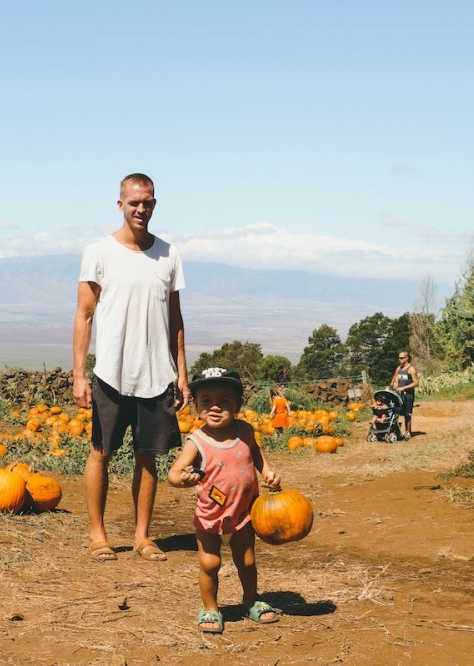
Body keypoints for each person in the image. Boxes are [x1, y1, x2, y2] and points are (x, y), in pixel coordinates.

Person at [72, 173, 191, 563]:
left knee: (148, 455)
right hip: (111, 372)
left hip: (156, 373)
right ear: (120, 204)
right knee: (101, 452)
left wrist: (182, 373)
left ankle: (143, 537)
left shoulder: (169, 255)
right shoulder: (99, 252)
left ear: (155, 204)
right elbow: (84, 315)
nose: (142, 209)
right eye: (135, 202)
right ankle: (98, 535)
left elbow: (175, 319)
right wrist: (79, 373)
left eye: (149, 202)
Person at [167, 366, 281, 634]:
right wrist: (181, 479)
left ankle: (251, 600)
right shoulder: (197, 441)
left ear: (238, 404)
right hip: (210, 517)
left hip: (244, 514)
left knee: (248, 561)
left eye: (224, 401)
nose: (215, 407)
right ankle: (210, 607)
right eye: (206, 401)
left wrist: (268, 473)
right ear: (195, 405)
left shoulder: (245, 431)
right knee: (210, 564)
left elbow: (257, 455)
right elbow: (173, 472)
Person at [390, 351, 419, 436]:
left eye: (401, 358)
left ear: (407, 358)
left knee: (407, 414)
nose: (400, 359)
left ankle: (408, 432)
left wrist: (404, 388)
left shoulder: (411, 369)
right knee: (396, 412)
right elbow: (395, 380)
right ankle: (396, 431)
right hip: (399, 394)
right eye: (399, 358)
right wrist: (393, 385)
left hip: (408, 395)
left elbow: (416, 383)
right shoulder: (399, 368)